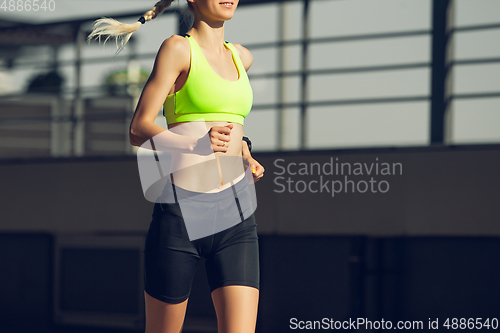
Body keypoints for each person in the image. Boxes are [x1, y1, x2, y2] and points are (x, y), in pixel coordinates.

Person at [88, 1, 265, 332]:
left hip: (236, 215)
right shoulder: (177, 49)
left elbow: (227, 121)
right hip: (182, 213)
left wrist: (244, 149)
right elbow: (138, 129)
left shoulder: (243, 56)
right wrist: (194, 143)